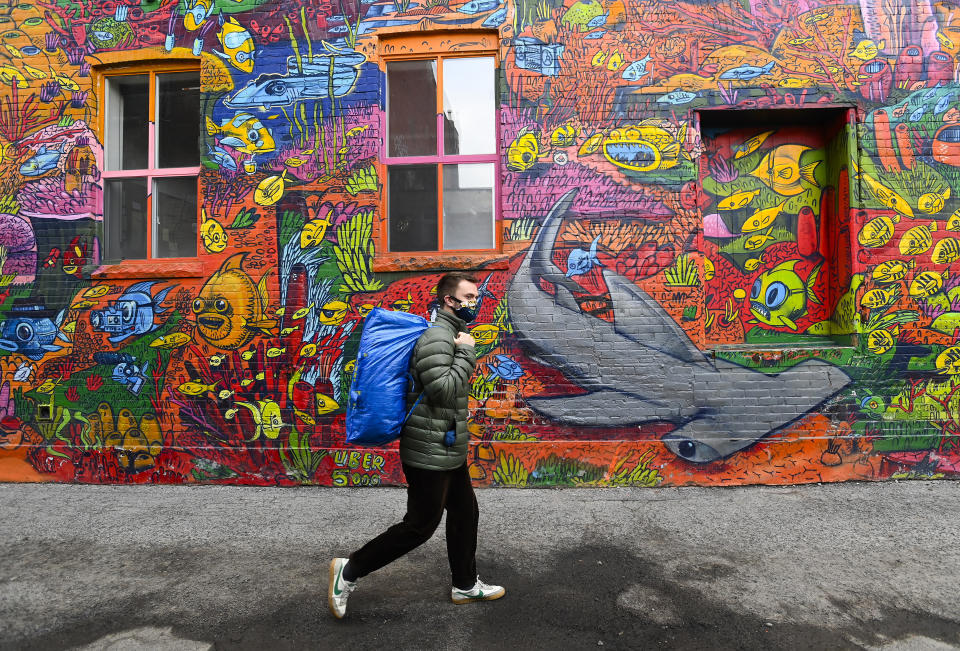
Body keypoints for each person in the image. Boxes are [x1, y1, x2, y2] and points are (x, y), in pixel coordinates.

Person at [328, 272, 505, 619]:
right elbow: (443, 390)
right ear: (448, 301)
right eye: (468, 297)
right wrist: (467, 354)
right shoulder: (438, 338)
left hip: (444, 445)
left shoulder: (449, 334)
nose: (474, 303)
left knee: (465, 513)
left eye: (475, 296)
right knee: (419, 527)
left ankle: (465, 585)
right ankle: (348, 572)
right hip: (429, 451)